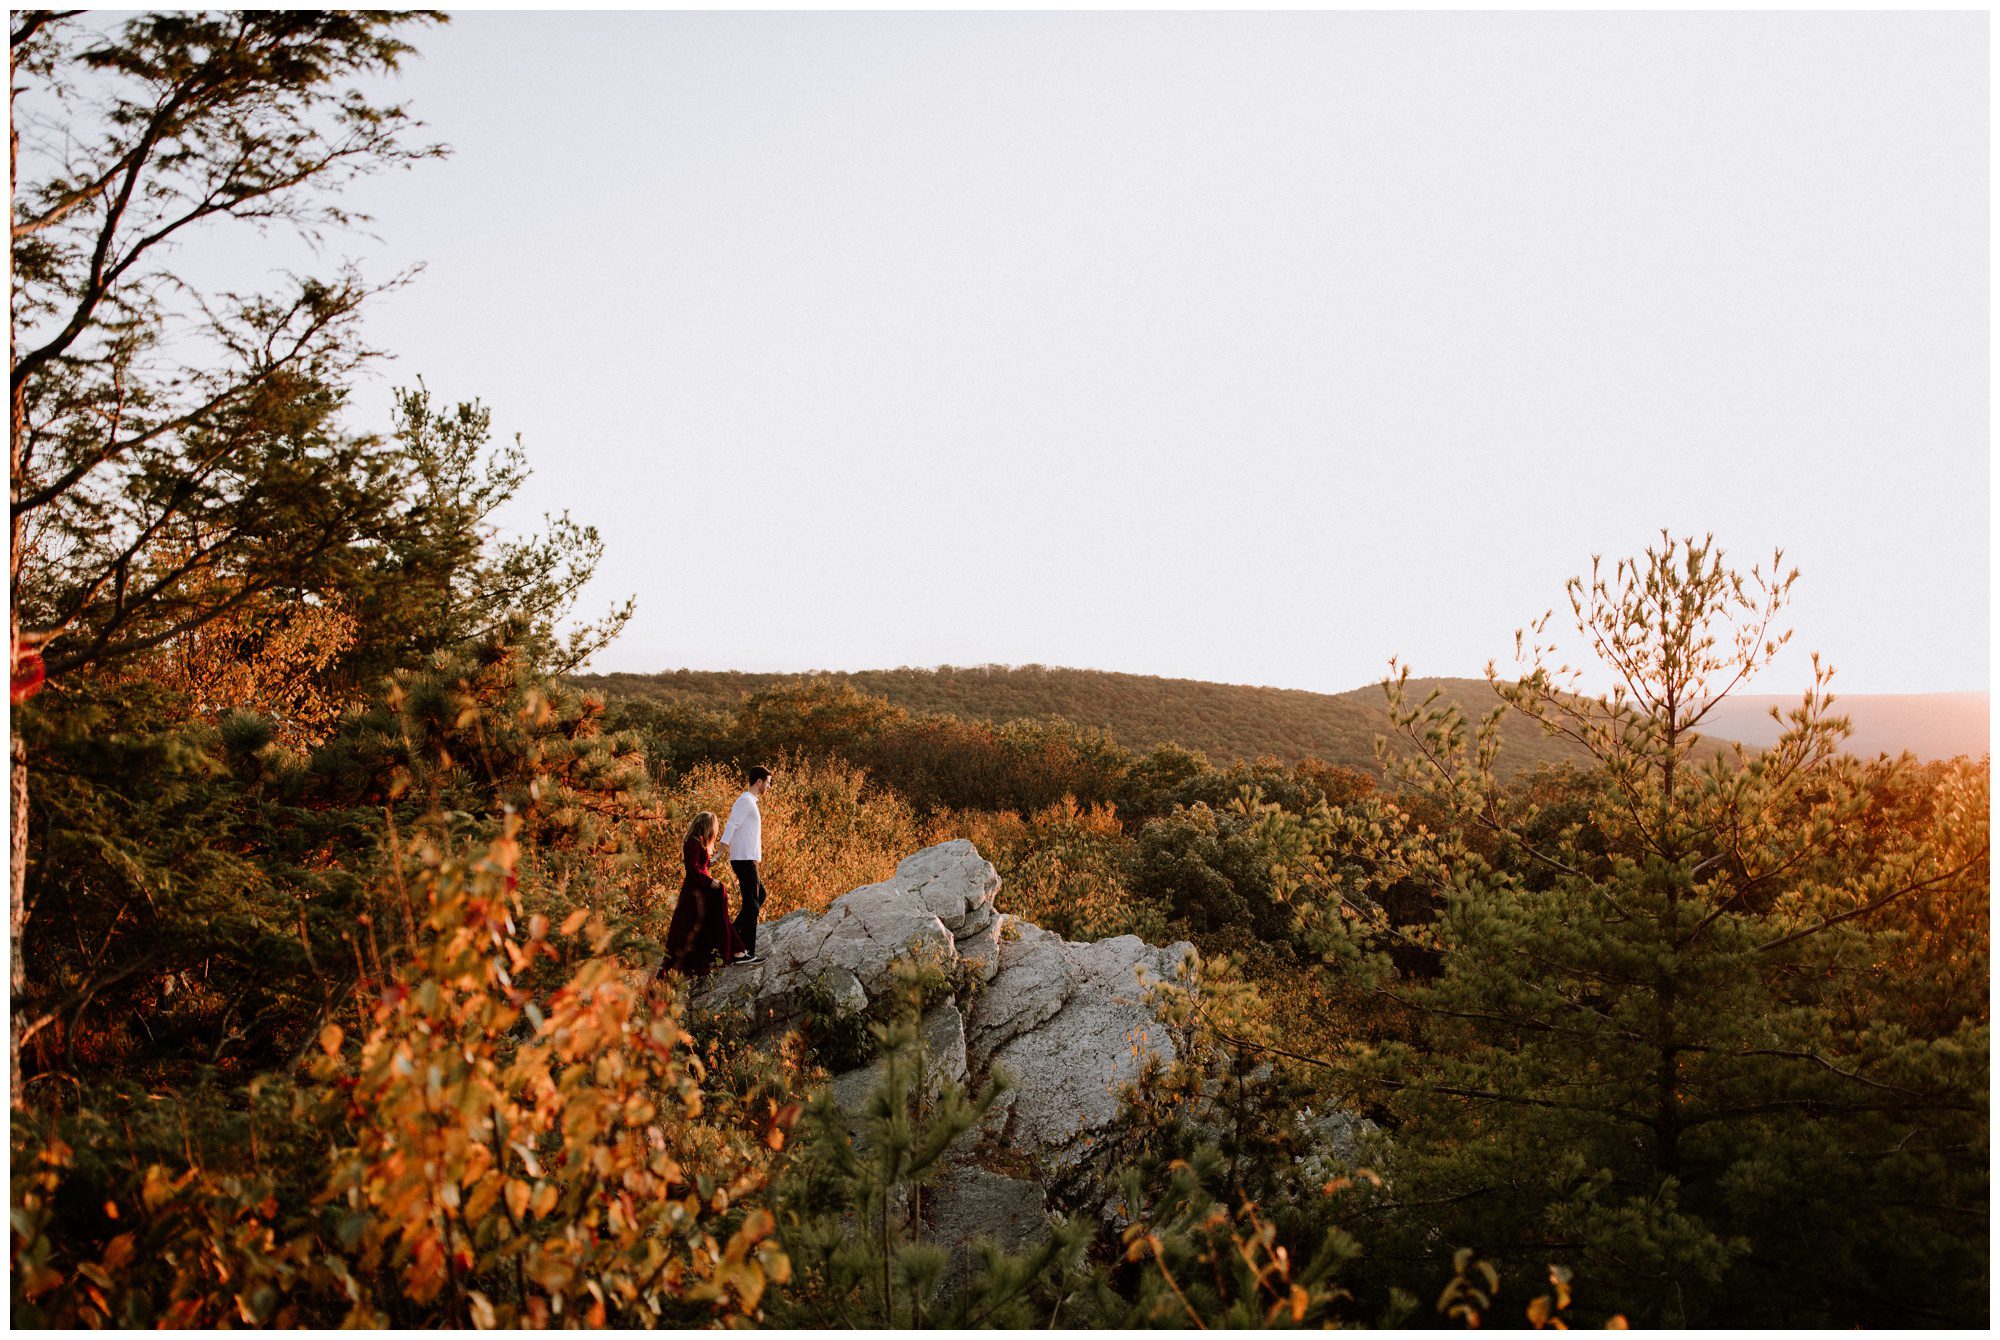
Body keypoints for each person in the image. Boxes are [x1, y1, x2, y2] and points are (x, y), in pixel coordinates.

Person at [658, 811, 745, 979]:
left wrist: (710, 863)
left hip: (699, 888)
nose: (714, 832)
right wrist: (709, 882)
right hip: (694, 893)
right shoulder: (692, 843)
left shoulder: (697, 842)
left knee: (717, 912)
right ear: (705, 827)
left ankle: (730, 948)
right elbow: (692, 870)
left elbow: (699, 866)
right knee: (688, 927)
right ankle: (729, 950)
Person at [719, 764, 774, 963]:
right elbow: (731, 824)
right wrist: (720, 851)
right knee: (752, 905)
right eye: (768, 783)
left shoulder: (751, 801)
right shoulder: (745, 801)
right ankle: (744, 952)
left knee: (760, 896)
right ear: (759, 781)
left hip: (747, 859)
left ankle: (731, 937)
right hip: (743, 859)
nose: (770, 786)